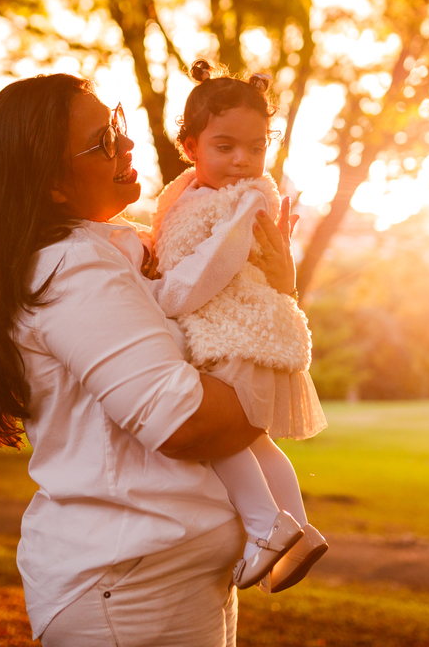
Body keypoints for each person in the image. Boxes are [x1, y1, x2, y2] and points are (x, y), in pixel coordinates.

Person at [0, 74, 297, 646]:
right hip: (129, 587)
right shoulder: (72, 272)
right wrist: (271, 325)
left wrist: (273, 285)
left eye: (117, 123)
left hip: (166, 578)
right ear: (52, 184)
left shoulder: (117, 246)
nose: (127, 144)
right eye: (101, 141)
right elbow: (187, 423)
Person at [148, 59, 329, 593]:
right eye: (225, 147)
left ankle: (266, 526)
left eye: (256, 147)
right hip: (245, 330)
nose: (243, 161)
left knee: (215, 433)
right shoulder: (188, 193)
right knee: (253, 442)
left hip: (240, 332)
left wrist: (160, 298)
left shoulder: (245, 199)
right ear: (190, 147)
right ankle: (299, 527)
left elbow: (210, 268)